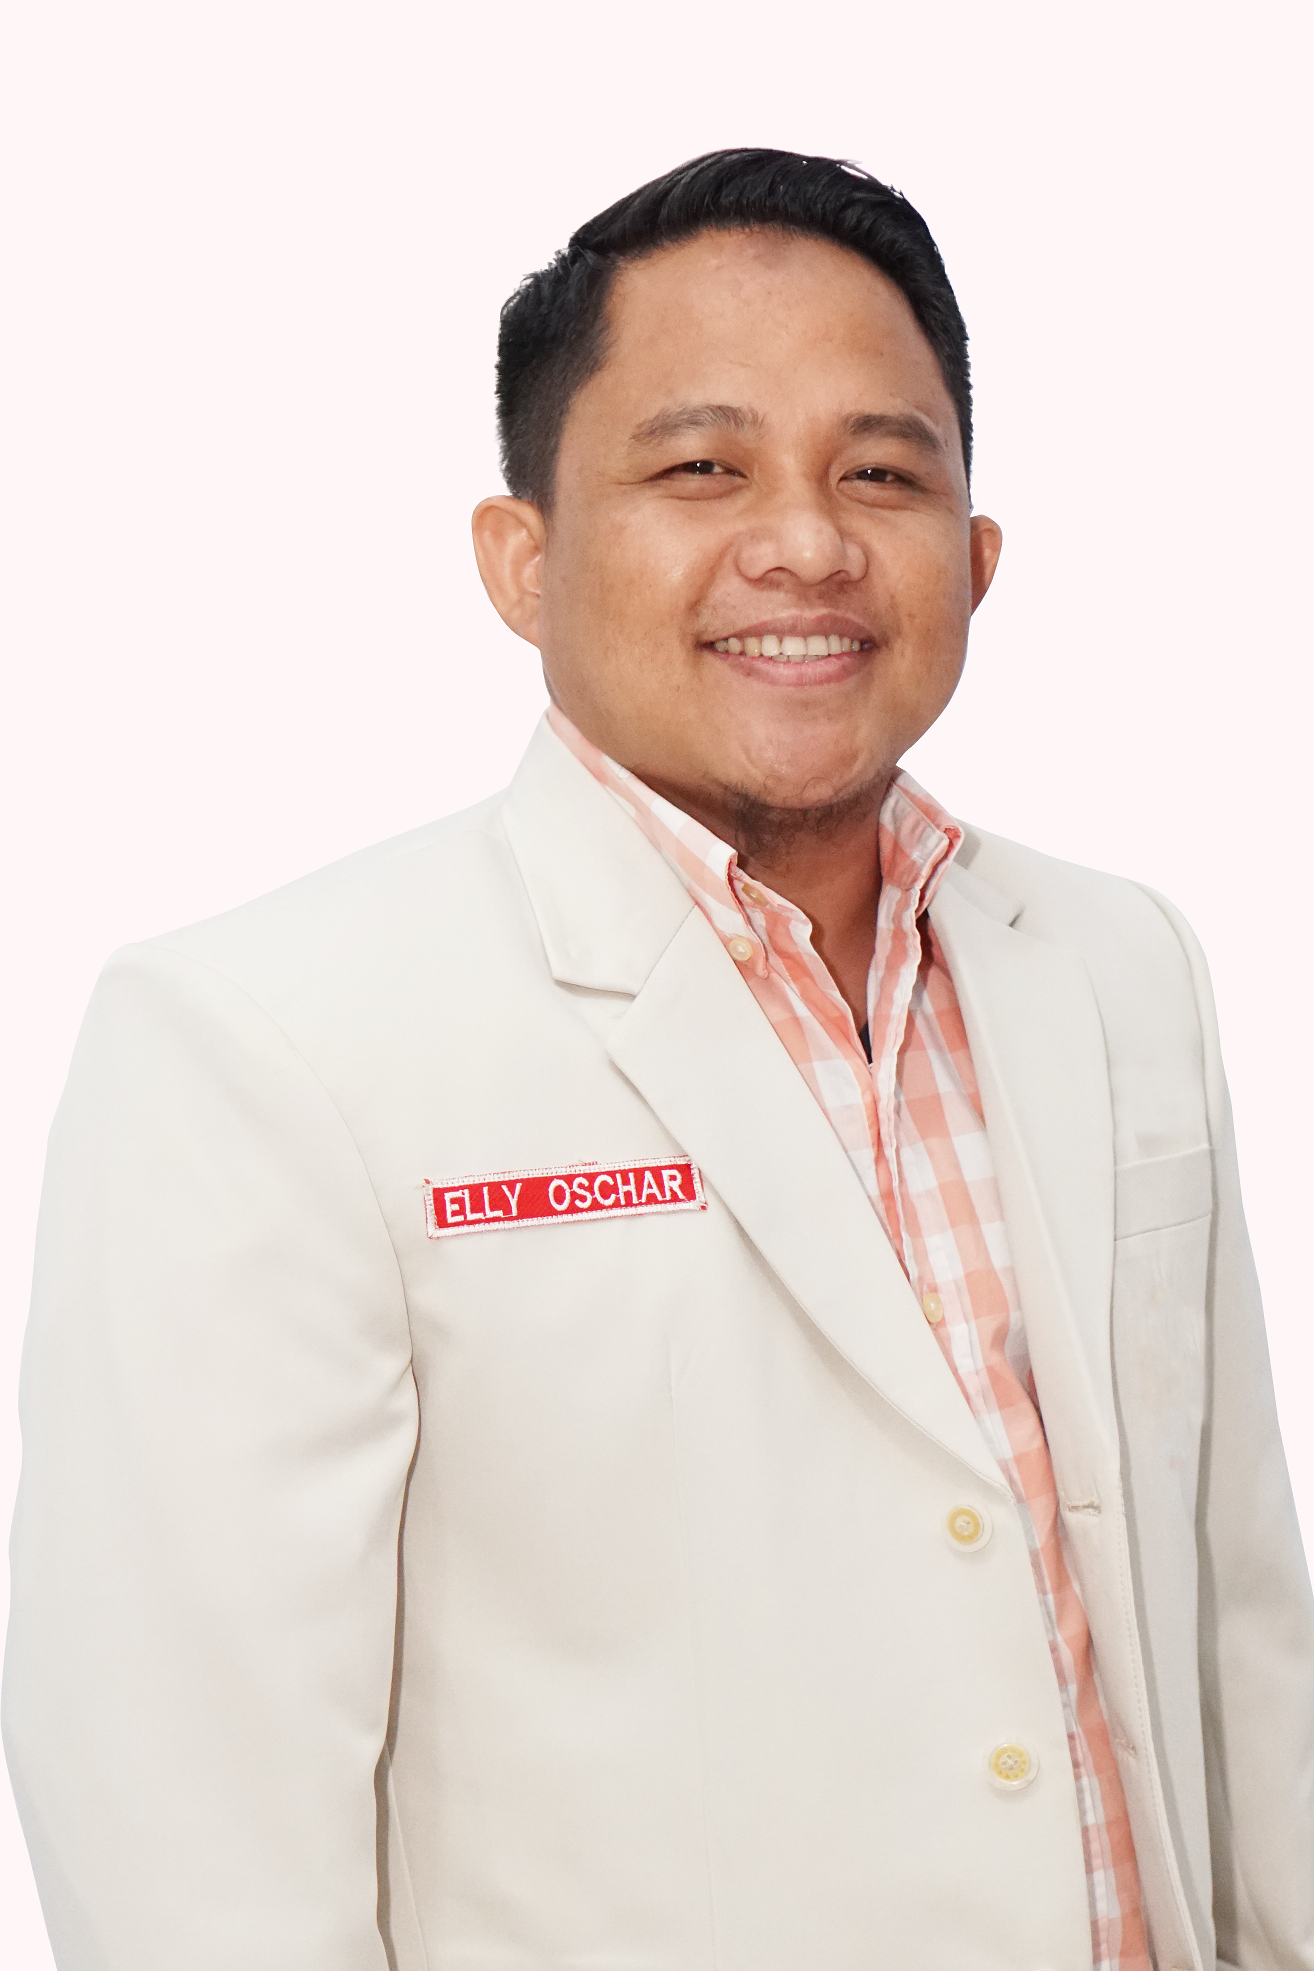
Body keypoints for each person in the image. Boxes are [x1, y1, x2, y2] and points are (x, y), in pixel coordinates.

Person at [4, 147, 1311, 1971]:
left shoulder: (1119, 961)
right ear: (520, 557)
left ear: (977, 556)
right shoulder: (265, 1037)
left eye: (881, 472)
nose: (807, 543)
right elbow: (189, 1844)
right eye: (700, 468)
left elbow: (1240, 1624)